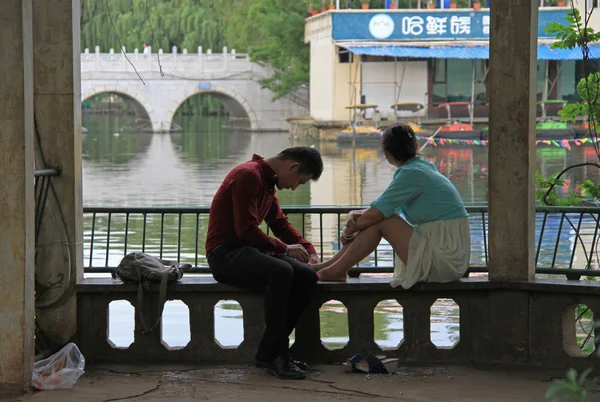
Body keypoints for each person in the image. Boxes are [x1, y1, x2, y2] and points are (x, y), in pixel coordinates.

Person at [205, 147, 323, 380]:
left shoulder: (266, 182)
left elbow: (279, 224)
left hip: (248, 251)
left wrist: (309, 250)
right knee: (281, 271)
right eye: (299, 181)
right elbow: (246, 230)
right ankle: (277, 354)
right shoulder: (248, 175)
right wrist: (286, 249)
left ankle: (268, 351)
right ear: (293, 166)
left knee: (307, 277)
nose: (294, 187)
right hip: (224, 254)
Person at [311, 124, 471, 289]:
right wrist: (359, 216)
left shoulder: (412, 173)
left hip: (445, 260)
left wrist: (347, 232)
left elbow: (378, 213)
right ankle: (330, 267)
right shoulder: (421, 168)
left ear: (386, 154)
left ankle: (336, 270)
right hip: (446, 251)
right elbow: (380, 210)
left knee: (380, 220)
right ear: (416, 147)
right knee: (376, 218)